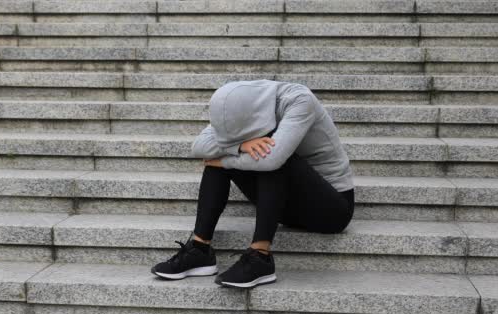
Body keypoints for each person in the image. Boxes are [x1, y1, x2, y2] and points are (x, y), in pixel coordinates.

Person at [150, 79, 355, 288]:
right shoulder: (234, 105)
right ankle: (199, 250)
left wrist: (224, 159)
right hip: (287, 207)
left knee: (269, 156)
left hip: (332, 208)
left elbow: (273, 159)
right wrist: (239, 145)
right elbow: (199, 146)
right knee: (226, 156)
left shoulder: (299, 100)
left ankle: (260, 256)